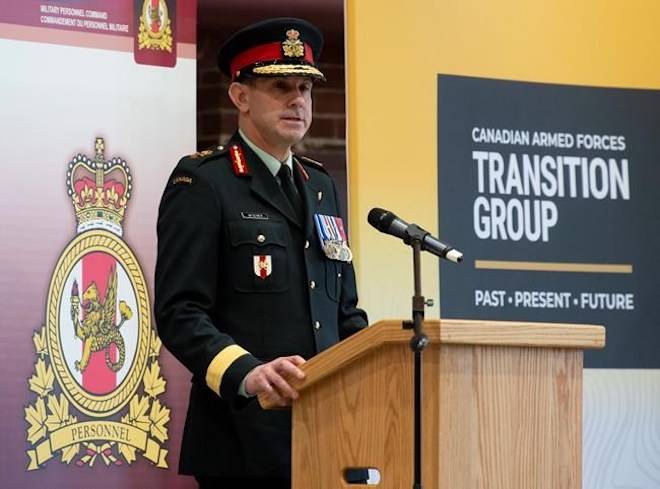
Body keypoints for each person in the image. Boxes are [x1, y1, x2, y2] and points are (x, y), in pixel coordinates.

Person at [154, 17, 368, 488]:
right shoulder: (204, 182)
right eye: (280, 86)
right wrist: (247, 374)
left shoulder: (321, 186)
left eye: (306, 89)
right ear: (240, 96)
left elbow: (344, 311)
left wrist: (377, 366)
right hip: (241, 441)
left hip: (329, 435)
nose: (297, 100)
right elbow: (179, 311)